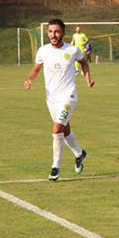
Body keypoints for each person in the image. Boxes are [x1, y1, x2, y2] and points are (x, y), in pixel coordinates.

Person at [24, 18, 94, 180]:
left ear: (63, 33)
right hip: (51, 98)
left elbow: (84, 63)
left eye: (56, 31)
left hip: (69, 96)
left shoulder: (73, 50)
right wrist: (29, 79)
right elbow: (36, 69)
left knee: (56, 130)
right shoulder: (43, 51)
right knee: (64, 128)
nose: (53, 35)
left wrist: (88, 78)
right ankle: (79, 153)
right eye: (50, 31)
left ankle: (55, 167)